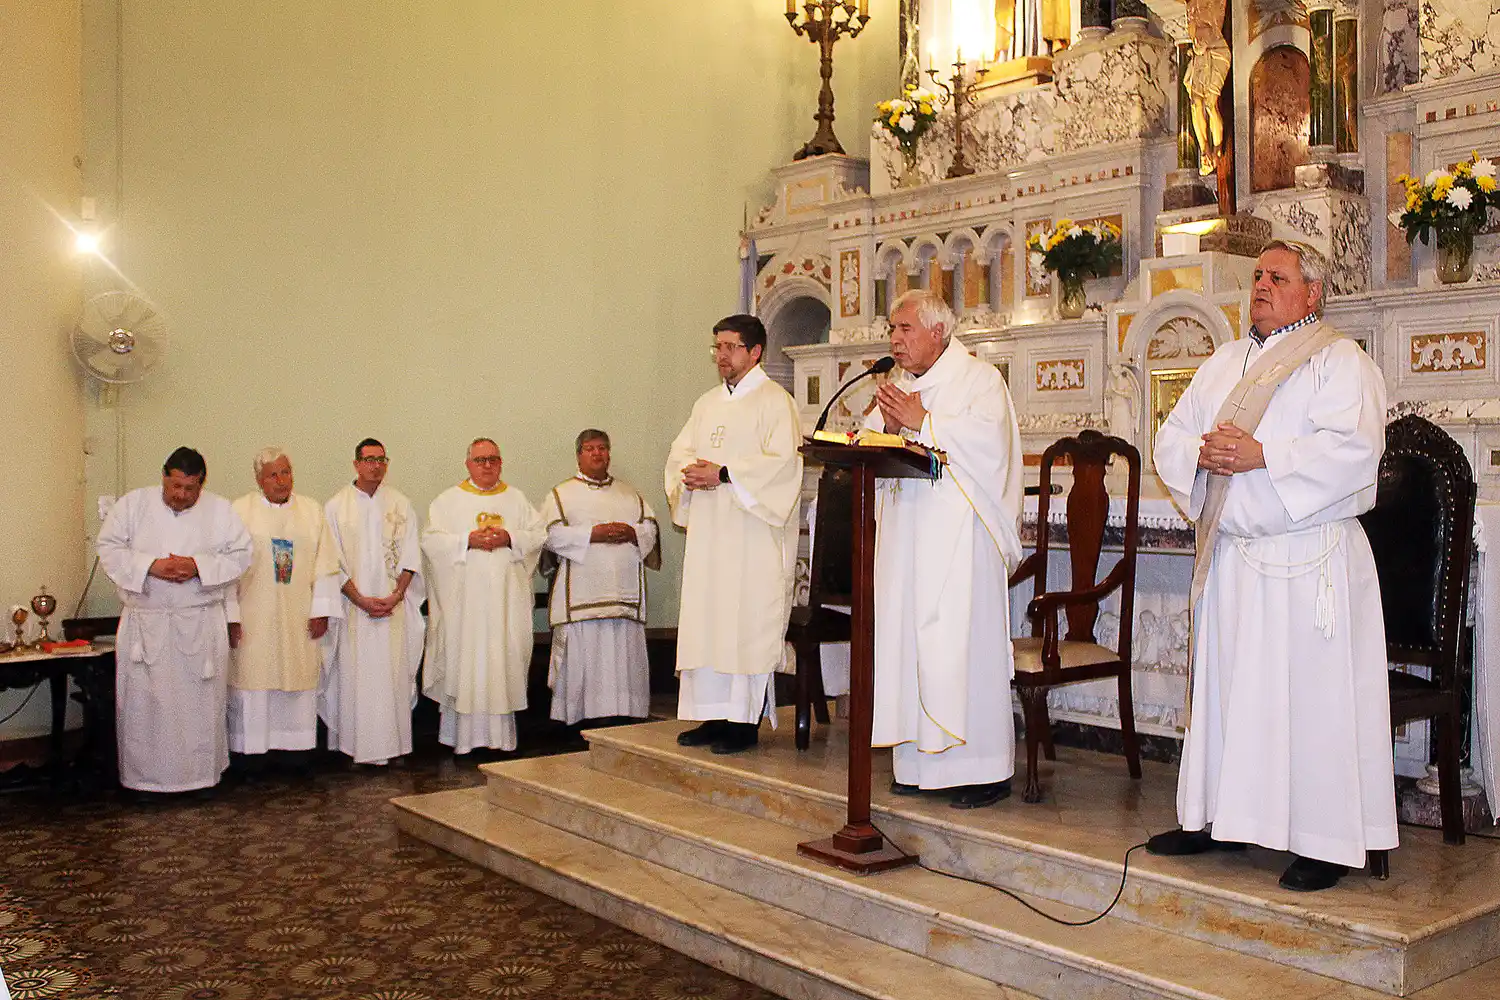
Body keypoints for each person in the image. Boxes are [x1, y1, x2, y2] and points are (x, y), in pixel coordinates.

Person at [1151, 239, 1393, 892]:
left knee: (1312, 703)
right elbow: (1171, 435)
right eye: (1256, 275)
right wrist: (1199, 455)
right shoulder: (1224, 363)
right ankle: (1214, 819)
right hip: (1237, 559)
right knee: (1231, 694)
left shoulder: (1340, 363)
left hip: (1309, 558)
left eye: (1276, 276)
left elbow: (1355, 451)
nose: (1260, 284)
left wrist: (1265, 456)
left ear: (1312, 292)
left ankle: (1325, 840)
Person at [865, 289, 1024, 809]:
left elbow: (990, 447)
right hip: (907, 538)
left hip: (961, 540)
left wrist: (922, 422)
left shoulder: (979, 380)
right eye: (892, 328)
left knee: (960, 647)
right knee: (908, 643)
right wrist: (885, 429)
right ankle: (917, 763)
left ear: (938, 331)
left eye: (905, 328)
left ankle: (981, 769)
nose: (895, 338)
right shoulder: (896, 388)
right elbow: (869, 444)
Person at [665, 314, 803, 755]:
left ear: (755, 351)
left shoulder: (774, 401)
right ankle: (712, 713)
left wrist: (724, 474)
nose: (721, 355)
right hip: (710, 532)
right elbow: (680, 453)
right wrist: (687, 474)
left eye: (730, 346)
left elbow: (784, 464)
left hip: (750, 537)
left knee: (743, 621)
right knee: (710, 618)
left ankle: (742, 723)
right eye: (717, 347)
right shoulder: (707, 404)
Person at [96, 447, 252, 793]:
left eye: (190, 489)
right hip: (147, 626)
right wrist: (152, 565)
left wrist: (197, 566)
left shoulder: (221, 510)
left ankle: (200, 777)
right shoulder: (133, 506)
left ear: (202, 484)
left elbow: (242, 555)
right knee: (146, 706)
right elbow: (109, 548)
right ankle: (144, 780)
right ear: (164, 477)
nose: (181, 495)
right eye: (175, 487)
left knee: (199, 706)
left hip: (198, 624)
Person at [421, 438, 545, 755]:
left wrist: (510, 537)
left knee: (501, 662)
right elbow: (431, 542)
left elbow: (538, 535)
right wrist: (467, 540)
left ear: (501, 463)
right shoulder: (447, 501)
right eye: (480, 460)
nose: (487, 465)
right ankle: (463, 739)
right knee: (467, 662)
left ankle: (500, 740)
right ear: (468, 464)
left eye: (493, 459)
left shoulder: (517, 500)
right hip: (465, 608)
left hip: (506, 606)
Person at [225, 447, 341, 771]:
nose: (281, 480)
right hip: (254, 614)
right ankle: (251, 757)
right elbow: (228, 571)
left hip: (298, 614)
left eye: (286, 472)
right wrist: (231, 617)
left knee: (297, 675)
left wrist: (322, 611)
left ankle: (295, 753)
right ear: (259, 480)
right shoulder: (240, 511)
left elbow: (327, 564)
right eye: (273, 474)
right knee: (254, 677)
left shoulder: (311, 511)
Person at [540, 429, 660, 725]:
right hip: (582, 599)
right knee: (586, 657)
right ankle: (580, 720)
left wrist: (632, 532)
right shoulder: (561, 494)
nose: (597, 454)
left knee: (622, 660)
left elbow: (651, 530)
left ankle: (624, 715)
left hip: (623, 598)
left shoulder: (630, 494)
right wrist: (592, 534)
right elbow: (550, 536)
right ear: (579, 455)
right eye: (590, 449)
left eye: (603, 448)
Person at [321, 438, 425, 765]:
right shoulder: (336, 506)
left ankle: (394, 748)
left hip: (392, 609)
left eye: (381, 459)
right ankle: (356, 749)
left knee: (391, 676)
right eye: (369, 460)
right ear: (356, 464)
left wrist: (395, 596)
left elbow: (411, 557)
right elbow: (331, 561)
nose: (375, 465)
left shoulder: (400, 504)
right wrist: (361, 599)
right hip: (355, 610)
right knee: (356, 679)